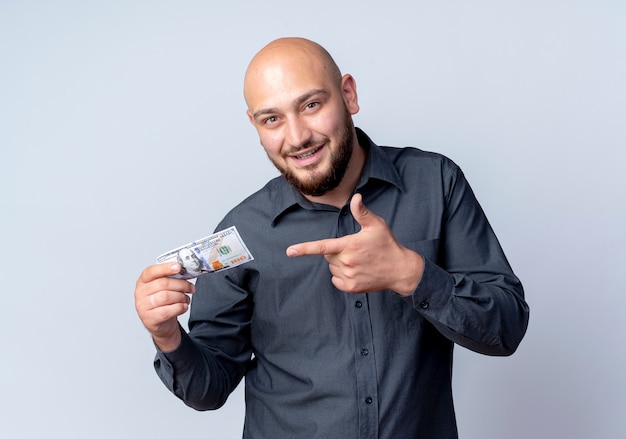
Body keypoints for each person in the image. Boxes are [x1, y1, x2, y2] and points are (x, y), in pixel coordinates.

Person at [134, 37, 529, 438]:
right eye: (272, 119)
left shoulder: (436, 184)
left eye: (311, 105)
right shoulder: (243, 233)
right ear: (256, 127)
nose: (298, 136)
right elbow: (208, 389)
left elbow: (507, 329)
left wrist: (412, 274)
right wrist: (167, 336)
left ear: (348, 95)